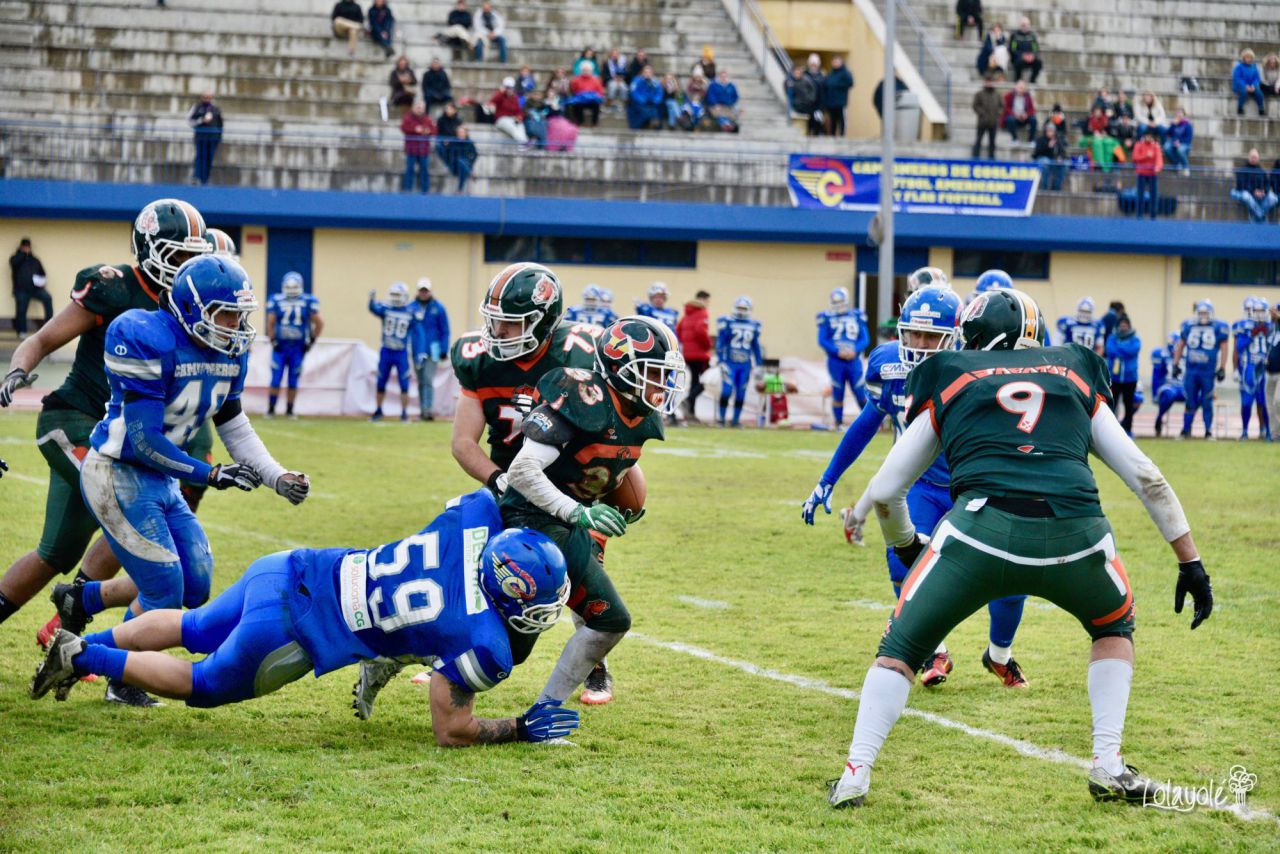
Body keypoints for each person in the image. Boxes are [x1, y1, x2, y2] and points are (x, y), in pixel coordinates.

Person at [827, 287, 1213, 809]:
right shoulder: (1074, 373)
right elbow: (1149, 479)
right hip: (1078, 535)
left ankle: (855, 774)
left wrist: (906, 544)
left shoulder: (953, 376)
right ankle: (1108, 763)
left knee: (898, 652)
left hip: (978, 531)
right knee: (1113, 628)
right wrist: (1189, 561)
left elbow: (886, 487)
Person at [34, 494, 580, 751]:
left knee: (195, 625)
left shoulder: (479, 518)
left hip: (291, 567)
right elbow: (451, 729)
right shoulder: (487, 643)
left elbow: (492, 496)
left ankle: (79, 639)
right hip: (292, 633)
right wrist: (518, 729)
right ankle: (82, 656)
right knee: (201, 683)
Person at [0, 200, 215, 707]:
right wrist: (17, 370)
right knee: (127, 508)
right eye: (176, 254)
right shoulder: (112, 285)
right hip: (74, 422)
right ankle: (107, 650)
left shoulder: (184, 302)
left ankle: (79, 607)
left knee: (57, 553)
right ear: (149, 250)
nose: (186, 266)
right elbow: (45, 337)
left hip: (119, 439)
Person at [67, 255, 308, 706]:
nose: (237, 325)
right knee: (164, 590)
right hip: (118, 472)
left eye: (241, 314)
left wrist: (277, 477)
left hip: (160, 480)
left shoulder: (227, 352)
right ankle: (87, 657)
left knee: (195, 586)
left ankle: (83, 601)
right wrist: (210, 473)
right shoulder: (145, 336)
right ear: (193, 309)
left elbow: (233, 424)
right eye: (227, 314)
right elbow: (143, 440)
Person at [803, 285, 1029, 690]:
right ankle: (935, 649)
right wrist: (827, 479)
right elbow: (866, 424)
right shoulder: (889, 364)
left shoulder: (978, 367)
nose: (921, 346)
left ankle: (999, 655)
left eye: (932, 336)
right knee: (903, 564)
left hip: (973, 483)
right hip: (922, 484)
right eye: (914, 334)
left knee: (1008, 573)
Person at [501, 315, 687, 707]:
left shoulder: (641, 415)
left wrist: (617, 494)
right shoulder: (584, 396)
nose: (662, 385)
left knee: (611, 621)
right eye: (653, 373)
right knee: (510, 646)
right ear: (622, 371)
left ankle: (546, 710)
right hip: (528, 521)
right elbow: (521, 470)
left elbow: (610, 460)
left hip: (567, 529)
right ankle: (399, 657)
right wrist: (578, 512)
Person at [265, 271, 323, 419]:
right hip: (281, 346)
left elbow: (319, 323)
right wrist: (273, 340)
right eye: (288, 287)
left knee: (293, 379)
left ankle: (289, 410)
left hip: (297, 347)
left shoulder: (308, 301)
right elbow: (270, 322)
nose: (291, 291)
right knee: (276, 378)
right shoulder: (276, 300)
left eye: (294, 287)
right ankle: (271, 409)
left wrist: (311, 340)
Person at [1170, 300, 1229, 439]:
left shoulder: (1218, 327)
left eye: (1205, 313)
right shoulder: (1189, 326)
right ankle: (1185, 430)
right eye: (1201, 313)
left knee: (1207, 401)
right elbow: (1181, 345)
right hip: (1191, 371)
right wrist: (1175, 364)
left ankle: (1208, 431)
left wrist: (1222, 367)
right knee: (1190, 401)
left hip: (1207, 372)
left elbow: (1224, 347)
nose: (1203, 316)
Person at [817, 287, 870, 427]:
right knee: (838, 392)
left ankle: (870, 423)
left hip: (853, 360)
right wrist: (837, 351)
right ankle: (838, 423)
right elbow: (822, 340)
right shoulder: (826, 317)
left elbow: (865, 339)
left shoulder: (857, 315)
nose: (839, 306)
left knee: (860, 392)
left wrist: (855, 350)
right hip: (835, 361)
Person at [368, 282, 416, 421]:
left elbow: (417, 332)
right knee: (381, 381)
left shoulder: (411, 312)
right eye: (393, 295)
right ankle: (378, 410)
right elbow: (374, 309)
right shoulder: (385, 308)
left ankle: (404, 413)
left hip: (401, 352)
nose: (395, 298)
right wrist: (371, 301)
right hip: (386, 350)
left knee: (404, 383)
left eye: (398, 295)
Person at [715, 296, 763, 428]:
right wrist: (720, 359)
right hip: (730, 363)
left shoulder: (754, 324)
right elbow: (721, 342)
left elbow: (756, 346)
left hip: (745, 365)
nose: (741, 311)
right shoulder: (727, 322)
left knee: (741, 393)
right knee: (726, 391)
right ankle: (721, 419)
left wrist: (759, 364)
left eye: (744, 308)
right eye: (739, 308)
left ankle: (735, 420)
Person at [1231, 297, 1272, 440]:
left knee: (1265, 402)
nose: (1259, 314)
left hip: (1266, 369)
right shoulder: (1245, 326)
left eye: (1262, 311)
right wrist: (1251, 334)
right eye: (1257, 311)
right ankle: (1244, 431)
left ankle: (1268, 431)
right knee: (1247, 402)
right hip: (1249, 368)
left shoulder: (1272, 325)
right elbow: (1239, 347)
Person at [410, 279, 450, 421]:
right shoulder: (412, 307)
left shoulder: (438, 308)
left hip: (433, 349)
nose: (423, 293)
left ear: (430, 291)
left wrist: (444, 349)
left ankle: (428, 410)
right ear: (418, 291)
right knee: (420, 380)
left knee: (427, 379)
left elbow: (445, 330)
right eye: (421, 290)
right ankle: (423, 410)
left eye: (426, 290)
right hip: (417, 350)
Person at [676, 289, 712, 423]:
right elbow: (700, 331)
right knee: (707, 380)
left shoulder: (687, 314)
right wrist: (708, 345)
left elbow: (678, 330)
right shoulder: (703, 313)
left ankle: (691, 412)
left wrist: (686, 343)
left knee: (695, 382)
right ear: (703, 300)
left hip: (688, 354)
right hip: (700, 354)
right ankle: (688, 400)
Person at [1105, 315, 1142, 435]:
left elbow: (1133, 351)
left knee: (1128, 404)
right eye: (1121, 324)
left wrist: (1119, 349)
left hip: (1130, 378)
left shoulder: (1135, 339)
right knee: (1112, 404)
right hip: (1114, 378)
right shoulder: (1112, 338)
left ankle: (1128, 429)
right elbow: (1110, 350)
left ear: (1129, 326)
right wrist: (1123, 350)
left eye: (1125, 324)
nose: (1123, 326)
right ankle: (1110, 430)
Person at [9, 238, 50, 339]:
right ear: (21, 247)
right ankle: (22, 331)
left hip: (35, 289)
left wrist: (43, 282)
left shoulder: (35, 260)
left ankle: (49, 326)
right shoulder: (15, 258)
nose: (26, 248)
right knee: (21, 310)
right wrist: (23, 254)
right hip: (21, 289)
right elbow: (14, 264)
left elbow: (42, 273)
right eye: (24, 246)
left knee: (47, 298)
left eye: (28, 246)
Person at [1153, 331, 1187, 438]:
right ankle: (1159, 419)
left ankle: (1186, 428)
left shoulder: (1188, 355)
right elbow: (1156, 375)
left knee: (1196, 397)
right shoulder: (1161, 354)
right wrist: (1155, 393)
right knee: (1169, 394)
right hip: (1167, 385)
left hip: (1183, 386)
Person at [1230, 148, 1278, 223]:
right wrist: (1253, 191)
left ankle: (1256, 215)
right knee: (1246, 196)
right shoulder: (1242, 170)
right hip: (1248, 194)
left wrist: (1263, 192)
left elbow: (1267, 184)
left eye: (1255, 157)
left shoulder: (1261, 171)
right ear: (1249, 157)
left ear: (1258, 159)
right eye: (1252, 157)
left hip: (1261, 196)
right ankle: (1260, 215)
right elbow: (1241, 185)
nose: (1253, 159)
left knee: (1274, 198)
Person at [400, 100, 435, 193]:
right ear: (414, 108)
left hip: (423, 149)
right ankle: (407, 189)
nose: (420, 110)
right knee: (409, 169)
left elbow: (434, 130)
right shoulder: (408, 118)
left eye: (422, 108)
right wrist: (415, 129)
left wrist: (428, 131)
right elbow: (403, 127)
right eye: (418, 107)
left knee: (424, 171)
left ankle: (425, 190)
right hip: (411, 149)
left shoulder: (428, 119)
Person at [188, 91, 223, 186]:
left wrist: (219, 138)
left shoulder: (215, 109)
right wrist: (201, 120)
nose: (207, 99)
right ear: (201, 97)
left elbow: (220, 125)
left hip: (212, 138)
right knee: (200, 157)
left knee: (209, 159)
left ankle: (206, 179)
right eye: (205, 97)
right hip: (200, 137)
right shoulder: (196, 108)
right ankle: (196, 177)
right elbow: (191, 122)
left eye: (208, 97)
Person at [1132, 129, 1163, 219]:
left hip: (1152, 174)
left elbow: (1159, 159)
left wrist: (1158, 167)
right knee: (1140, 195)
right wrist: (1146, 156)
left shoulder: (1155, 146)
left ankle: (1153, 215)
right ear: (1144, 136)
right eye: (1147, 136)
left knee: (1153, 195)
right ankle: (1139, 215)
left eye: (1150, 136)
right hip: (1141, 173)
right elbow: (1135, 157)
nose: (1149, 138)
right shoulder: (1139, 145)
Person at [489, 77, 527, 144]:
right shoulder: (500, 96)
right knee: (512, 127)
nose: (510, 90)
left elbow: (519, 111)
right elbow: (492, 102)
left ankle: (524, 143)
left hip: (513, 119)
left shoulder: (515, 97)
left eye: (511, 88)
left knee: (521, 126)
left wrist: (519, 117)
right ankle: (522, 143)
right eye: (508, 87)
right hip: (501, 119)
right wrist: (501, 92)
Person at [821, 57, 852, 136]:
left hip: (840, 101)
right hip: (831, 101)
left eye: (837, 61)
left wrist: (837, 85)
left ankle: (842, 134)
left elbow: (850, 83)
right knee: (833, 119)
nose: (835, 63)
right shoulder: (831, 73)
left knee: (841, 118)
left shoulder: (845, 73)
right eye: (834, 61)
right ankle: (833, 134)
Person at [971, 75, 1001, 159]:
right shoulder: (979, 94)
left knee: (992, 141)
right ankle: (975, 157)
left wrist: (998, 113)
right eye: (988, 82)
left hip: (993, 121)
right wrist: (982, 113)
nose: (989, 84)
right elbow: (975, 105)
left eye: (991, 82)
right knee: (978, 140)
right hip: (982, 121)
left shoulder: (997, 94)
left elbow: (1001, 106)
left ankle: (991, 158)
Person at [440, 125, 477, 191]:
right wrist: (445, 145)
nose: (460, 134)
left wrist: (471, 162)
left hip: (465, 165)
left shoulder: (469, 142)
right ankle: (470, 172)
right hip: (454, 165)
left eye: (462, 132)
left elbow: (474, 154)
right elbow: (445, 151)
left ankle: (460, 190)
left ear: (466, 133)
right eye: (459, 132)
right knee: (460, 160)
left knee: (462, 165)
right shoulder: (453, 141)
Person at [787, 65, 821, 137]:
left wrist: (811, 99)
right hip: (797, 105)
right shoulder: (790, 82)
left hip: (806, 104)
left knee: (812, 117)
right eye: (795, 73)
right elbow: (787, 90)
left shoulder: (806, 80)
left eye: (798, 72)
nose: (797, 74)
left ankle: (811, 132)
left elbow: (813, 89)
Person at [1032, 121, 1066, 190]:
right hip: (1042, 159)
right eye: (1048, 131)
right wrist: (1048, 146)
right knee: (1046, 162)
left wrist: (1060, 157)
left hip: (1054, 160)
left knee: (1064, 164)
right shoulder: (1040, 140)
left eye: (1052, 131)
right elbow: (1037, 153)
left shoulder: (1057, 140)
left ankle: (1056, 188)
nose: (1050, 133)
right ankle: (1044, 188)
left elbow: (1062, 152)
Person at [1001, 79, 1036, 144]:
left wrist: (1026, 115)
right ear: (1015, 87)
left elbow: (1032, 109)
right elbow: (1006, 108)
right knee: (1009, 119)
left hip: (1024, 118)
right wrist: (1015, 114)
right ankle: (1015, 139)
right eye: (1019, 87)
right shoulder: (1009, 95)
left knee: (1033, 119)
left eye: (1022, 88)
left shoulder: (1028, 96)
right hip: (1014, 118)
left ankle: (1031, 140)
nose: (1021, 89)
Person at [1232, 48, 1265, 116]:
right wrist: (1245, 86)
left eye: (1250, 57)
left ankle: (1261, 108)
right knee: (1243, 92)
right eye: (1247, 57)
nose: (1249, 59)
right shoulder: (1239, 67)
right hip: (1240, 85)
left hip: (1252, 86)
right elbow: (1237, 78)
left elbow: (1257, 78)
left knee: (1259, 93)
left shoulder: (1254, 67)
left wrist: (1253, 85)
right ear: (1243, 58)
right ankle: (1240, 108)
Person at [1009, 16, 1042, 83]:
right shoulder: (1015, 36)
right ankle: (1018, 80)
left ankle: (1032, 80)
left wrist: (1033, 55)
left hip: (1030, 58)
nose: (1025, 26)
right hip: (1018, 58)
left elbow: (1035, 48)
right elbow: (1013, 49)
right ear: (1020, 25)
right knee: (1018, 62)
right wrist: (1022, 55)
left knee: (1039, 62)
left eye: (1027, 25)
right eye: (1023, 25)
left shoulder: (1032, 36)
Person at [1265, 303, 1280, 437]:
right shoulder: (1272, 329)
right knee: (1270, 404)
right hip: (1270, 372)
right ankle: (1275, 434)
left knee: (1278, 400)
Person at [1163, 108, 1193, 175]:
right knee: (1166, 147)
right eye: (1177, 113)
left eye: (1180, 113)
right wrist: (1172, 124)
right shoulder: (1174, 124)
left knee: (1180, 150)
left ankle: (1185, 168)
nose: (1179, 114)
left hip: (1185, 144)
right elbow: (1167, 133)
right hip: (1173, 142)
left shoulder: (1187, 124)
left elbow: (1189, 138)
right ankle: (1177, 164)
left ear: (1184, 115)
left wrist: (1180, 142)